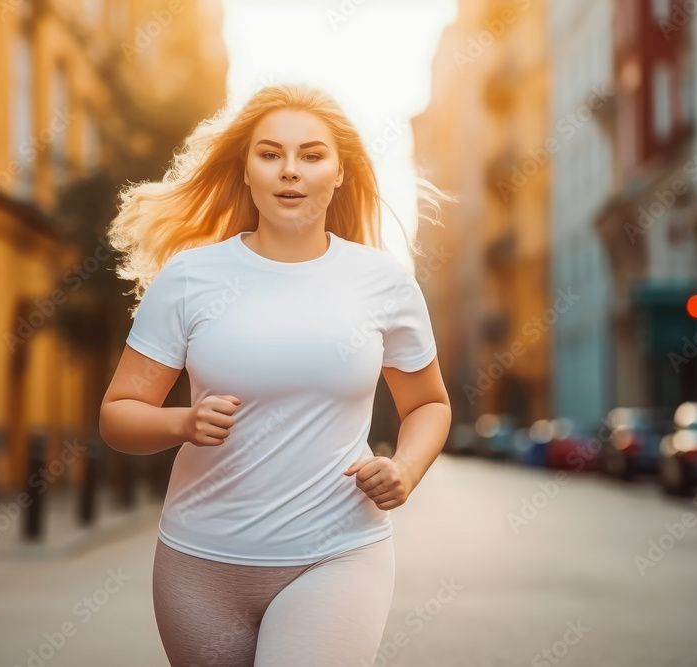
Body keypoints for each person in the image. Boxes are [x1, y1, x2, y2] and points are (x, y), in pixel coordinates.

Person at [99, 83, 453, 666]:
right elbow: (118, 415)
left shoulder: (383, 283)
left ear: (340, 172)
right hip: (200, 561)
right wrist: (181, 422)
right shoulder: (191, 278)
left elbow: (428, 405)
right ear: (246, 169)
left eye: (312, 155)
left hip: (337, 552)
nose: (291, 171)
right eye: (271, 154)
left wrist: (405, 470)